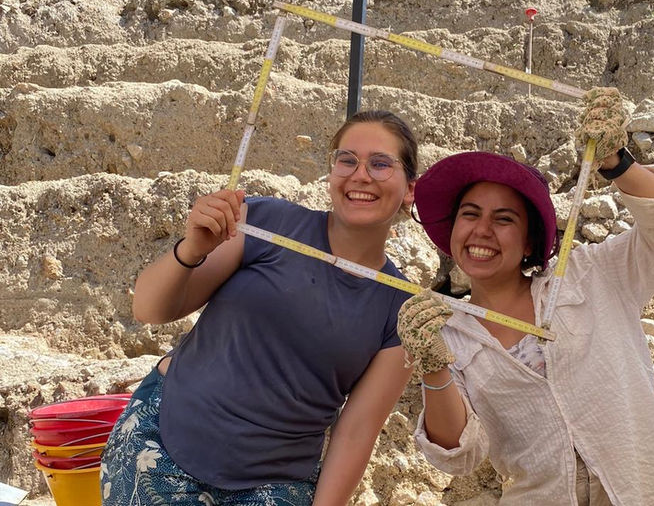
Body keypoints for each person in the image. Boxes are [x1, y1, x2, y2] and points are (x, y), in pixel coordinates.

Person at [398, 88, 654, 505]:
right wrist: (432, 367)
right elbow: (460, 455)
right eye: (470, 214)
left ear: (532, 238)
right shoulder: (448, 332)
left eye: (504, 219)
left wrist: (615, 161)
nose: (482, 231)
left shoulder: (590, 276)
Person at [101, 110, 417, 506]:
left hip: (274, 487)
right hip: (162, 444)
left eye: (381, 163)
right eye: (347, 159)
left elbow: (357, 431)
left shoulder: (402, 306)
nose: (360, 175)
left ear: (410, 190)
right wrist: (192, 249)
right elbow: (149, 308)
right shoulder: (266, 223)